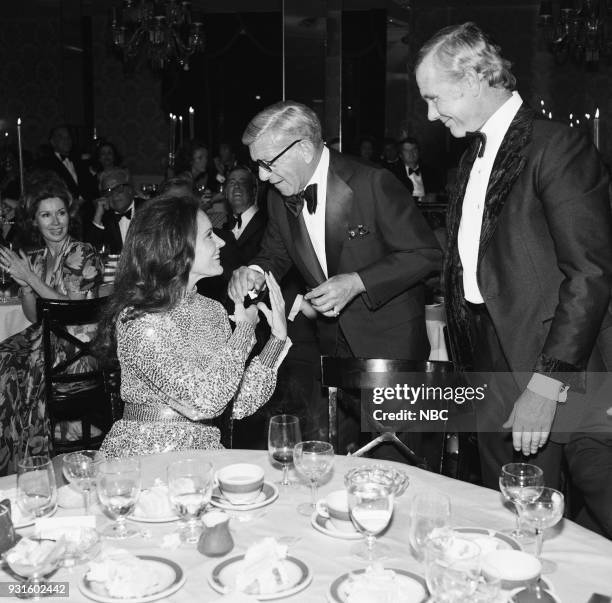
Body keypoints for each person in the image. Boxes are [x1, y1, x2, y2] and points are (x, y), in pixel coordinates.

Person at [415, 21, 612, 525]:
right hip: (488, 358)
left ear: (475, 78)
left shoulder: (556, 146)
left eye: (436, 98)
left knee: (592, 518)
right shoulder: (470, 156)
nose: (430, 114)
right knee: (508, 513)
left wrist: (545, 386)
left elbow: (590, 272)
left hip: (559, 367)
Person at [229, 101, 441, 451]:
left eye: (267, 163)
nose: (263, 177)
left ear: (304, 148)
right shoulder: (278, 197)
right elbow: (275, 254)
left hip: (388, 343)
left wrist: (357, 281)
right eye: (258, 167)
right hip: (330, 345)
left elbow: (427, 254)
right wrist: (253, 271)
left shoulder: (372, 182)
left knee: (394, 457)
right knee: (335, 456)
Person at [96, 195, 290, 457]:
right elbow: (205, 402)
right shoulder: (140, 320)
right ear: (177, 246)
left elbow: (236, 403)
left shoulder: (213, 310)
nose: (221, 241)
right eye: (210, 235)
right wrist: (244, 331)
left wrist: (276, 340)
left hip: (204, 456)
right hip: (146, 458)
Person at [0, 172, 103, 475]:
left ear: (69, 215)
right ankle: (12, 463)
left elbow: (72, 309)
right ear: (35, 221)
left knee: (30, 365)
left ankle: (36, 465)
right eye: (46, 215)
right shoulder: (36, 258)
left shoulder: (83, 252)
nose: (56, 222)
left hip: (78, 349)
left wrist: (30, 277)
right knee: (4, 356)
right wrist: (26, 286)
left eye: (60, 213)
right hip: (47, 340)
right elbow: (33, 316)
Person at [85, 168, 145, 254]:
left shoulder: (149, 210)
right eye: (108, 191)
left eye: (118, 188)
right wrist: (98, 217)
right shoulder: (103, 217)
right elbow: (88, 253)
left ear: (130, 189)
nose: (114, 194)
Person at [223, 165, 266, 265]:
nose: (236, 186)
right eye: (232, 182)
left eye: (243, 182)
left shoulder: (269, 225)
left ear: (254, 191)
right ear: (225, 192)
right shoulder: (223, 228)